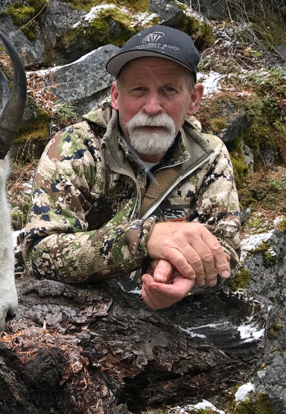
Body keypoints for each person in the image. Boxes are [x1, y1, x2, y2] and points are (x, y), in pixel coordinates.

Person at [18, 25, 241, 310]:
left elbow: (226, 250)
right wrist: (143, 239)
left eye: (169, 90)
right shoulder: (75, 147)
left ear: (194, 99)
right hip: (69, 314)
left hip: (167, 325)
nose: (151, 107)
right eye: (138, 90)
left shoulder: (209, 154)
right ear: (115, 95)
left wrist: (179, 276)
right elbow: (39, 254)